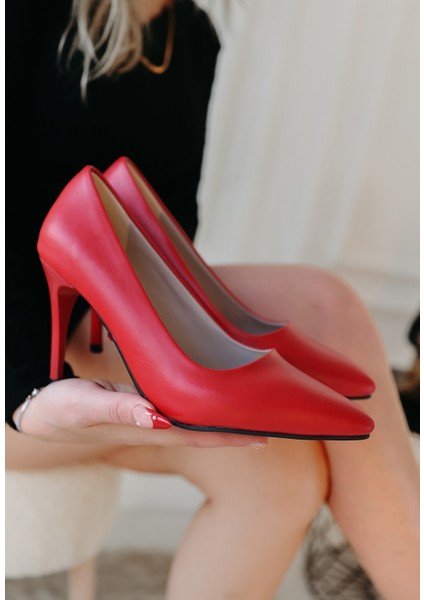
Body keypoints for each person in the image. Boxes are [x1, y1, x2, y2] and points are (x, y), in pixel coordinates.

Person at [5, 1, 419, 599]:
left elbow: (164, 235)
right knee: (320, 319)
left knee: (284, 471)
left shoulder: (192, 36)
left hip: (81, 323)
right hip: (15, 357)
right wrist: (24, 386)